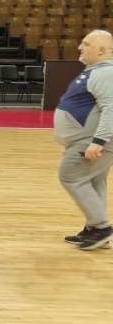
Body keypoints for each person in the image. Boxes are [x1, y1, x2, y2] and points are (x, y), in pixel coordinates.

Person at [55, 30, 113, 250]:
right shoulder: (98, 71)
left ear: (102, 51)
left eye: (87, 44)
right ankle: (95, 230)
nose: (80, 47)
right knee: (95, 181)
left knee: (70, 175)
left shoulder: (105, 72)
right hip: (90, 139)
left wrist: (98, 141)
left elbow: (111, 108)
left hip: (93, 140)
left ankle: (101, 228)